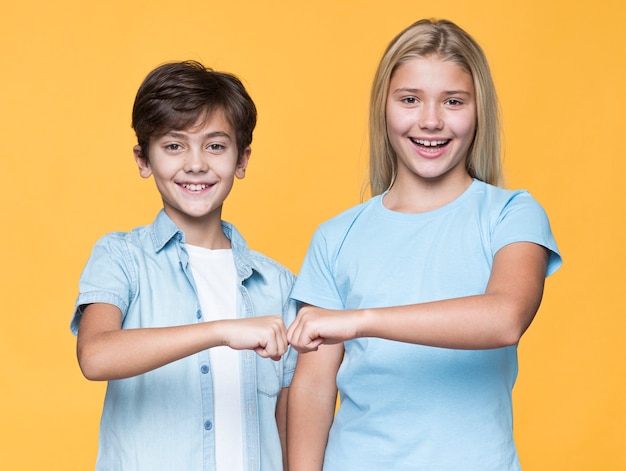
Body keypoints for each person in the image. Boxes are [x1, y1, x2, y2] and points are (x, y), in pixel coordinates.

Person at [286, 19, 562, 471]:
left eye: (453, 101)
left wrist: (359, 321)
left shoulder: (511, 214)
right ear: (385, 108)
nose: (430, 120)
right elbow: (314, 389)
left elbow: (505, 318)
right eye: (410, 100)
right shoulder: (336, 236)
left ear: (478, 111)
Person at [71, 61, 297, 471]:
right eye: (174, 146)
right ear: (143, 159)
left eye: (215, 146)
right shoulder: (121, 257)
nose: (196, 164)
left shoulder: (278, 285)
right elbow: (95, 356)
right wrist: (222, 330)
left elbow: (285, 424)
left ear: (242, 160)